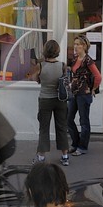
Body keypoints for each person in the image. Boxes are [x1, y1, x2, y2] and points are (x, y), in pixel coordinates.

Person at [33, 39, 71, 167]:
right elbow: (66, 82)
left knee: (44, 128)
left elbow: (36, 79)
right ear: (57, 51)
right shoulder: (62, 65)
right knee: (62, 127)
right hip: (60, 100)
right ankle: (65, 156)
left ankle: (41, 157)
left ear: (45, 51)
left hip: (45, 99)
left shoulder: (40, 66)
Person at [65, 35, 103, 156]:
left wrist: (93, 89)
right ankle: (75, 143)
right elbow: (71, 70)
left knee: (84, 121)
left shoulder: (88, 60)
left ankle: (82, 147)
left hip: (84, 94)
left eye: (78, 44)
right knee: (69, 119)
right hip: (74, 93)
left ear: (84, 46)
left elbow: (98, 76)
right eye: (75, 44)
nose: (75, 47)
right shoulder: (75, 58)